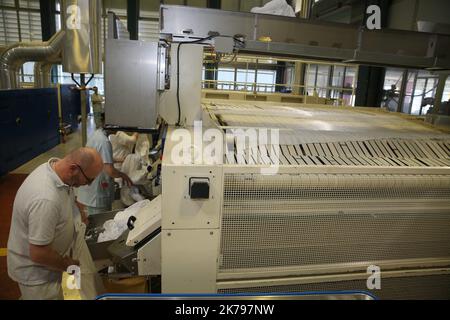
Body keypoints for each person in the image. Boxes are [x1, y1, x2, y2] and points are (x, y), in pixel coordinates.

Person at [7, 148, 104, 300]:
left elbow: (65, 192)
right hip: (39, 278)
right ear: (73, 169)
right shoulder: (45, 199)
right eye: (89, 180)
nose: (89, 185)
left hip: (56, 263)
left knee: (75, 292)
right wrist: (69, 265)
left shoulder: (57, 170)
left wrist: (76, 206)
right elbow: (39, 254)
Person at [77, 113, 133, 217]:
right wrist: (123, 175)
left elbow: (99, 157)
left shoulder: (97, 134)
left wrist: (117, 159)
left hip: (90, 191)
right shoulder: (104, 142)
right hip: (96, 194)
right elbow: (110, 171)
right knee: (99, 223)